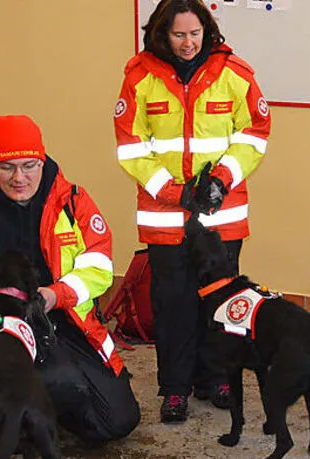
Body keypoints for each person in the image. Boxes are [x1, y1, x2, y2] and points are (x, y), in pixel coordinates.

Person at [0, 115, 140, 443]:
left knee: (117, 422)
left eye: (29, 165)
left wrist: (57, 295)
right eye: (6, 167)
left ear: (43, 160)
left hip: (66, 322)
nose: (19, 178)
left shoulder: (72, 202)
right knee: (20, 419)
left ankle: (45, 409)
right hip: (3, 330)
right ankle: (15, 417)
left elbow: (99, 268)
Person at [115, 0, 271, 423]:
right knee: (174, 306)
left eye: (195, 33)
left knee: (221, 303)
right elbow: (131, 147)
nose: (188, 43)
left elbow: (254, 135)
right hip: (166, 219)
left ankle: (217, 380)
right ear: (163, 34)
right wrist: (174, 191)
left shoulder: (235, 74)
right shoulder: (140, 78)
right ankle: (176, 389)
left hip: (222, 216)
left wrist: (220, 179)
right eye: (179, 34)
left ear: (208, 31)